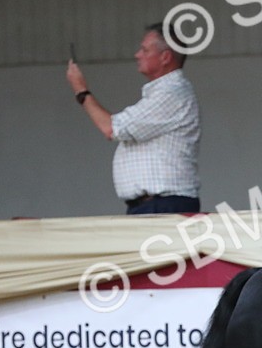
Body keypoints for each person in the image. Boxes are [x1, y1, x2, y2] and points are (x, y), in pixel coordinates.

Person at [66, 23, 201, 214]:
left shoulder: (172, 93)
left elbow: (112, 128)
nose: (137, 55)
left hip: (163, 205)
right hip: (156, 204)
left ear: (165, 57)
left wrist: (81, 90)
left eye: (145, 50)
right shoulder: (168, 93)